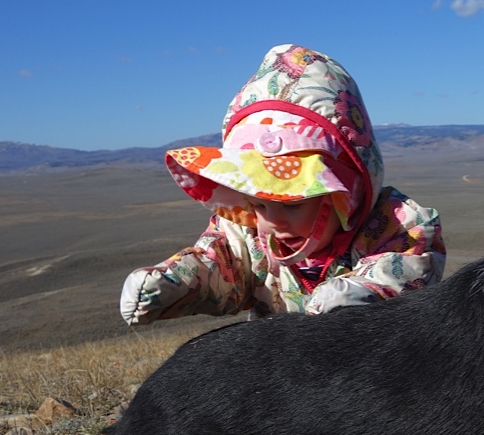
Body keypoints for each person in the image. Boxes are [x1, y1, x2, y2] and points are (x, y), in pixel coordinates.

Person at [120, 45, 446, 325]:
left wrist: (359, 295)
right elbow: (220, 266)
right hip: (281, 380)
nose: (271, 220)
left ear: (346, 193)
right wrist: (171, 284)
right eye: (259, 204)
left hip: (368, 381)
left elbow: (405, 266)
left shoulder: (395, 225)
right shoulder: (248, 236)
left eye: (292, 203)